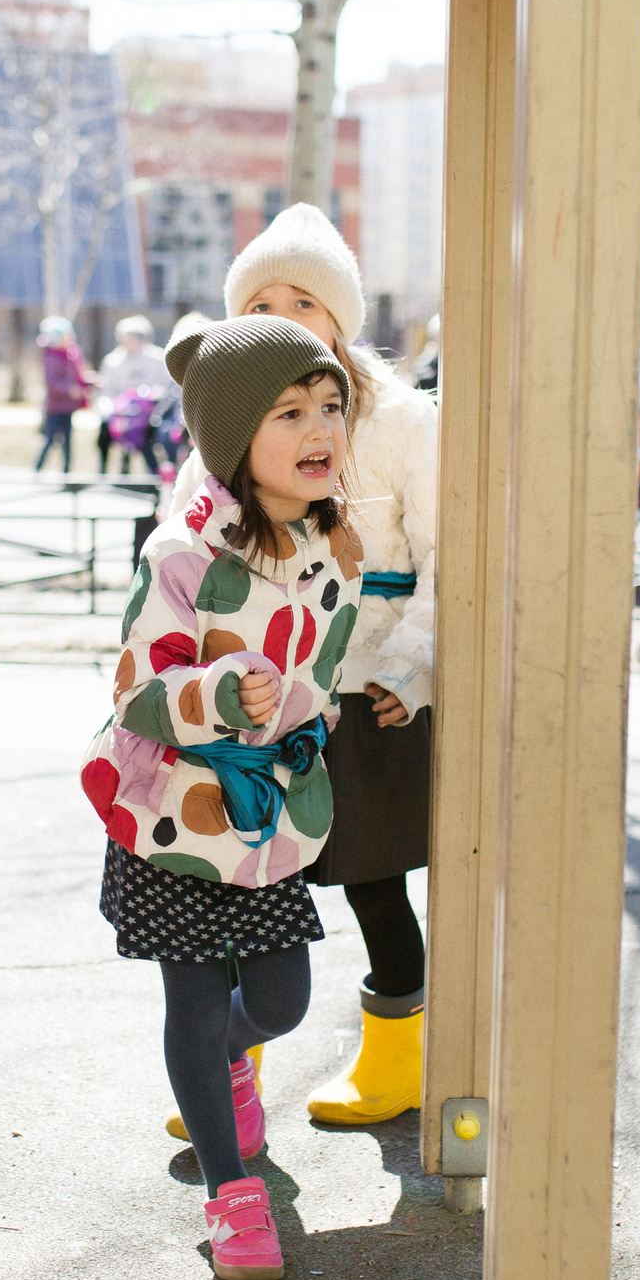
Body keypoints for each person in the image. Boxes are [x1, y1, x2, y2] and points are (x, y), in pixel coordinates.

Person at [81, 315, 362, 1280]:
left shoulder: (333, 545)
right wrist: (213, 694)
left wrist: (307, 716)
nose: (321, 427)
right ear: (236, 438)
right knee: (195, 1006)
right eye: (290, 412)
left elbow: (319, 672)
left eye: (330, 405)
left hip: (267, 815)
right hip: (176, 814)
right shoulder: (183, 553)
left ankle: (227, 1064)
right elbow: (136, 688)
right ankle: (230, 1193)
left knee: (280, 1001)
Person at [163, 203, 439, 1136]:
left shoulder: (399, 419)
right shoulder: (228, 415)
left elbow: (450, 555)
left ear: (340, 318)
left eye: (305, 302)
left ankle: (397, 1058)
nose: (283, 318)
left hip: (369, 691)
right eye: (260, 303)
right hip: (256, 696)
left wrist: (410, 667)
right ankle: (229, 1077)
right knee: (247, 880)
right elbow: (186, 542)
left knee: (373, 881)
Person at [94, 315, 171, 475]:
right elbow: (107, 391)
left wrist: (148, 400)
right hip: (120, 413)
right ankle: (102, 473)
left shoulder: (157, 358)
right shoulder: (113, 361)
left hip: (148, 413)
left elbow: (165, 386)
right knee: (105, 432)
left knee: (150, 434)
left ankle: (153, 475)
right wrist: (112, 408)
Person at [34, 316, 94, 475]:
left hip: (69, 406)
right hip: (55, 406)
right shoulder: (51, 356)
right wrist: (70, 389)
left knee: (68, 441)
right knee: (50, 439)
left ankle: (67, 473)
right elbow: (52, 382)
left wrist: (88, 382)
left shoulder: (72, 354)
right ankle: (37, 470)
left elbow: (78, 374)